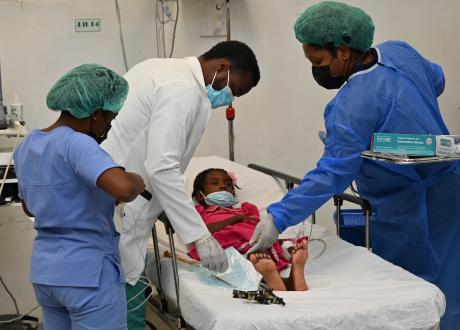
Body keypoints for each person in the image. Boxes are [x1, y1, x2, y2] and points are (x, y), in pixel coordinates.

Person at [248, 1, 460, 328]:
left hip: (401, 207)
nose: (315, 70)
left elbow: (332, 173)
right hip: (448, 185)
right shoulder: (399, 51)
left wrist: (279, 216)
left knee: (409, 293)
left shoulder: (350, 105)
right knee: (450, 282)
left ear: (343, 52)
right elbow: (438, 79)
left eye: (317, 61)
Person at [101, 40, 260, 329]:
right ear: (223, 66)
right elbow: (161, 166)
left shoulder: (162, 69)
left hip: (121, 195)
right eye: (234, 89)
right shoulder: (183, 88)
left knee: (117, 288)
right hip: (125, 204)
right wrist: (198, 235)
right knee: (120, 296)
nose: (230, 99)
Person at [13, 64, 146, 330]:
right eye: (110, 118)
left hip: (47, 274)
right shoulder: (77, 142)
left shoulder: (27, 145)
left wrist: (89, 198)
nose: (108, 126)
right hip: (88, 275)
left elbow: (30, 207)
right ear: (95, 113)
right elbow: (123, 188)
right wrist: (138, 180)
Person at [188, 168, 309, 291]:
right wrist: (235, 219)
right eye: (215, 183)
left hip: (255, 244)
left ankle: (284, 277)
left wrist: (282, 242)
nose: (223, 186)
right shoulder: (200, 213)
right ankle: (281, 281)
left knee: (264, 248)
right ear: (199, 195)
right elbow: (202, 232)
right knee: (253, 257)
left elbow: (262, 230)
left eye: (228, 184)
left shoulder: (246, 210)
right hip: (226, 245)